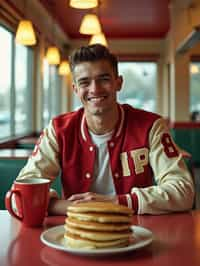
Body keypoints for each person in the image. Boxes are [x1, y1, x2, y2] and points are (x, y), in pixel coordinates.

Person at [15, 44, 194, 215]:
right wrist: (70, 208)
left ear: (118, 83)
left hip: (135, 229)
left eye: (104, 79)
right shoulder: (58, 129)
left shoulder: (151, 125)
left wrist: (116, 203)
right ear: (75, 89)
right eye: (85, 82)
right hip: (74, 231)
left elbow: (183, 192)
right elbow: (20, 195)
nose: (95, 89)